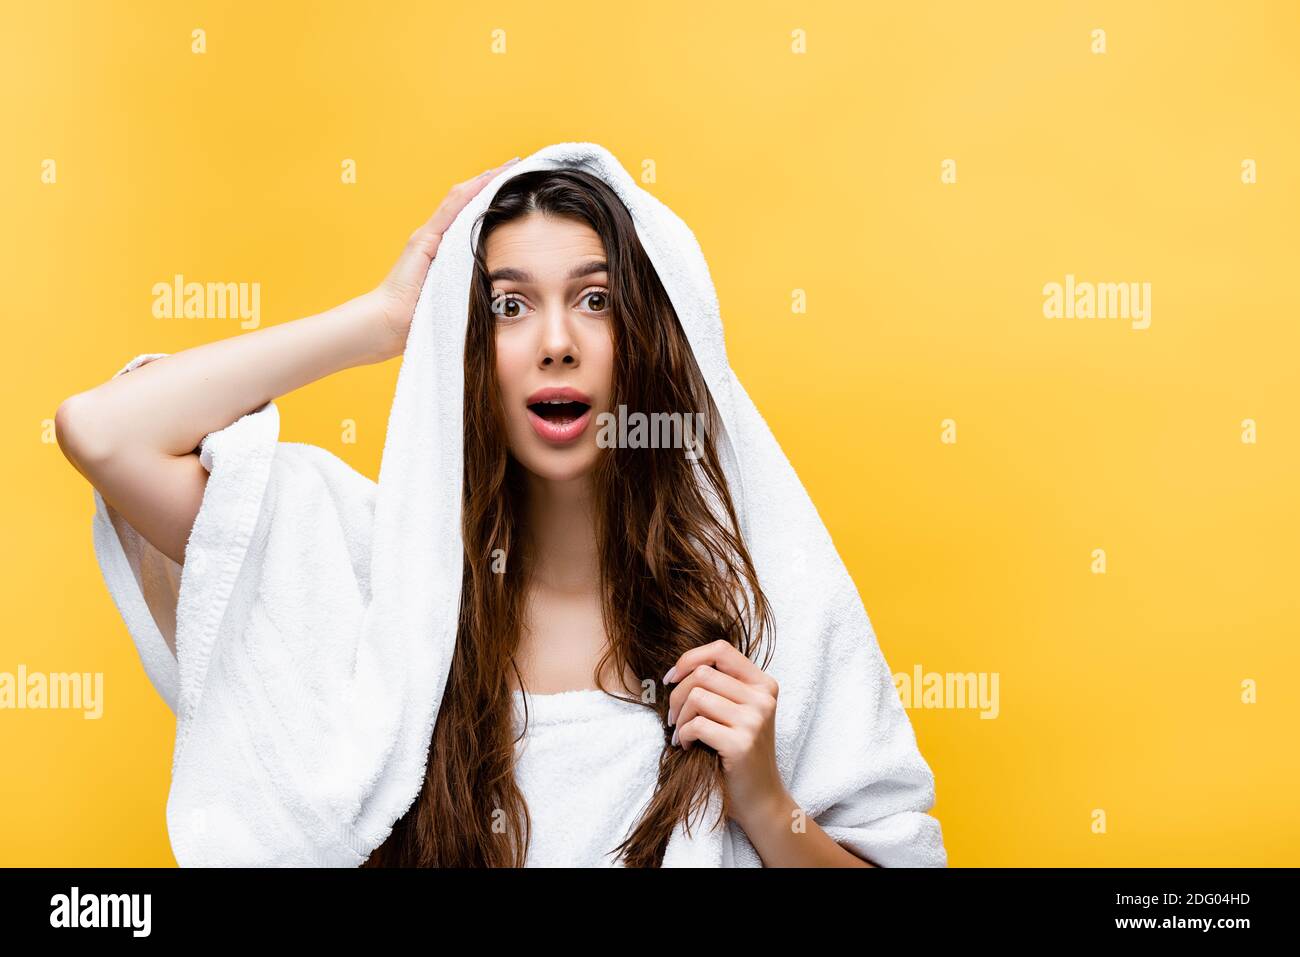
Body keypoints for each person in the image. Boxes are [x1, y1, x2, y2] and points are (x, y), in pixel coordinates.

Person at [57, 149, 947, 867]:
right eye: (509, 307)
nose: (555, 343)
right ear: (468, 352)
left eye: (594, 301)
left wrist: (764, 798)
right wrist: (386, 320)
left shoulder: (761, 609)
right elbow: (104, 431)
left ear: (647, 344)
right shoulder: (375, 586)